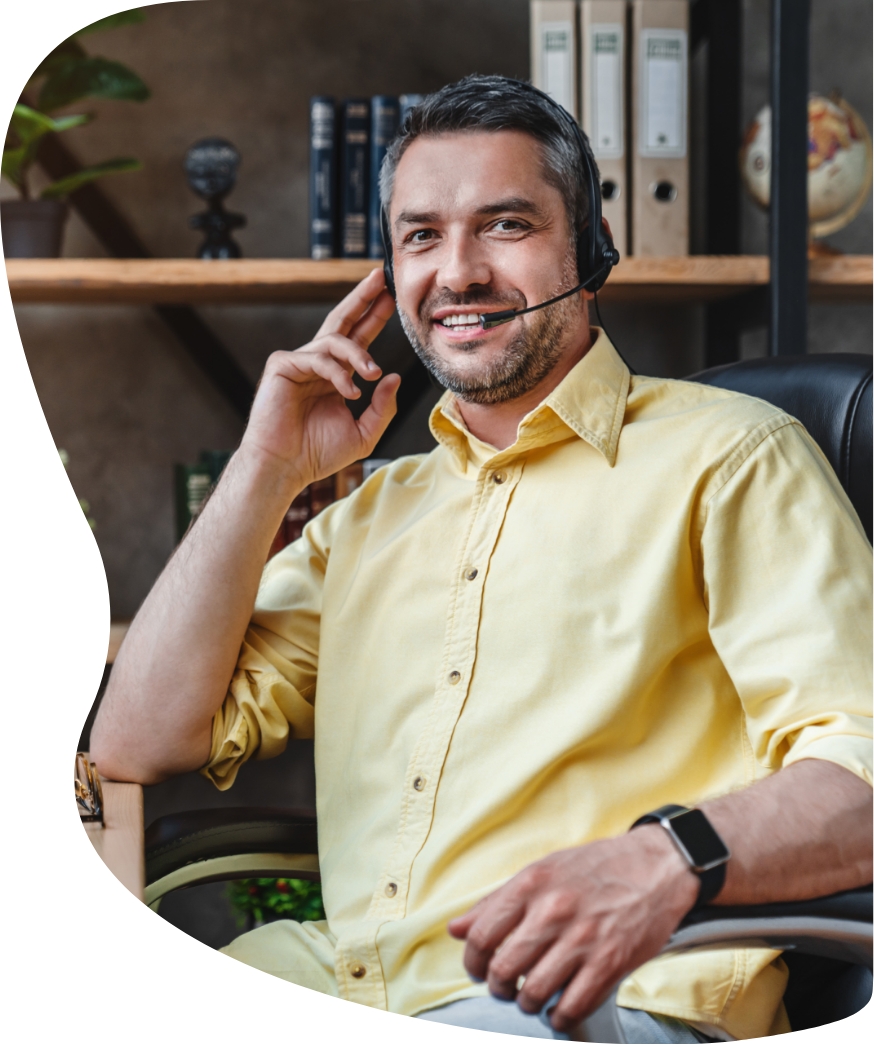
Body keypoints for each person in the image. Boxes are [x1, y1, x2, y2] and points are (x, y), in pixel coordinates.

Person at [90, 76, 872, 1042]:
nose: (456, 272)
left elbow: (863, 772)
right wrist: (264, 469)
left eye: (503, 224)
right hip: (341, 986)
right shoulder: (369, 515)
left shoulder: (733, 459)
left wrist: (664, 861)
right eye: (420, 235)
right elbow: (135, 741)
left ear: (588, 251)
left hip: (582, 1000)